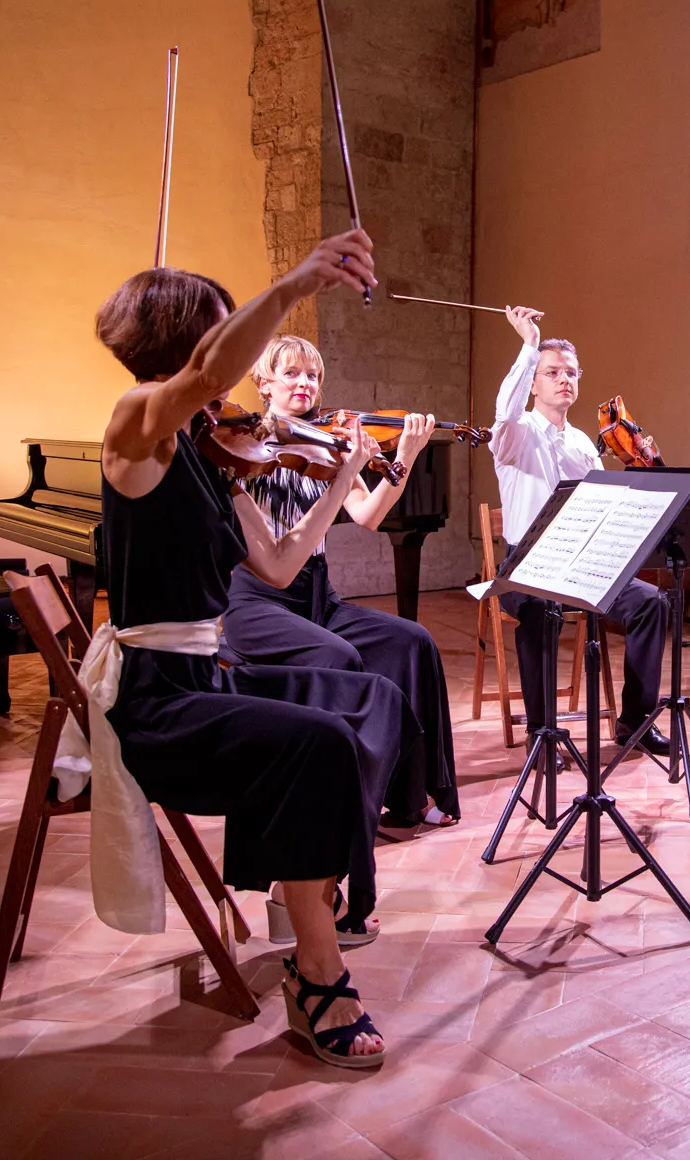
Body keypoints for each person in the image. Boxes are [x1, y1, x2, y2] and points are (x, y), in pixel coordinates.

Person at [94, 228, 402, 1069]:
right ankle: (317, 970)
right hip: (159, 700)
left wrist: (343, 480)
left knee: (370, 697)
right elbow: (203, 376)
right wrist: (296, 282)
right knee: (316, 744)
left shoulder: (201, 451)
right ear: (193, 344)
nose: (230, 369)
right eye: (225, 334)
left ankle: (302, 884)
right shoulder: (137, 426)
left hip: (211, 673)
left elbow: (275, 561)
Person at [220, 334, 461, 831]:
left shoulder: (328, 446)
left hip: (316, 596)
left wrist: (407, 456)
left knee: (412, 641)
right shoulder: (240, 444)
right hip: (257, 603)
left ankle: (410, 797)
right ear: (264, 384)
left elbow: (369, 515)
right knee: (338, 657)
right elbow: (263, 550)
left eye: (312, 375)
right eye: (291, 373)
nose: (305, 383)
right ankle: (346, 807)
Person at [490, 305, 670, 756]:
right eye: (552, 372)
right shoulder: (515, 434)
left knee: (651, 602)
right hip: (526, 562)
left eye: (571, 372)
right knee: (537, 607)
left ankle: (636, 723)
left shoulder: (585, 445)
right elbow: (504, 411)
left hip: (580, 561)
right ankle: (542, 734)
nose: (564, 379)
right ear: (534, 382)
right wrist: (529, 347)